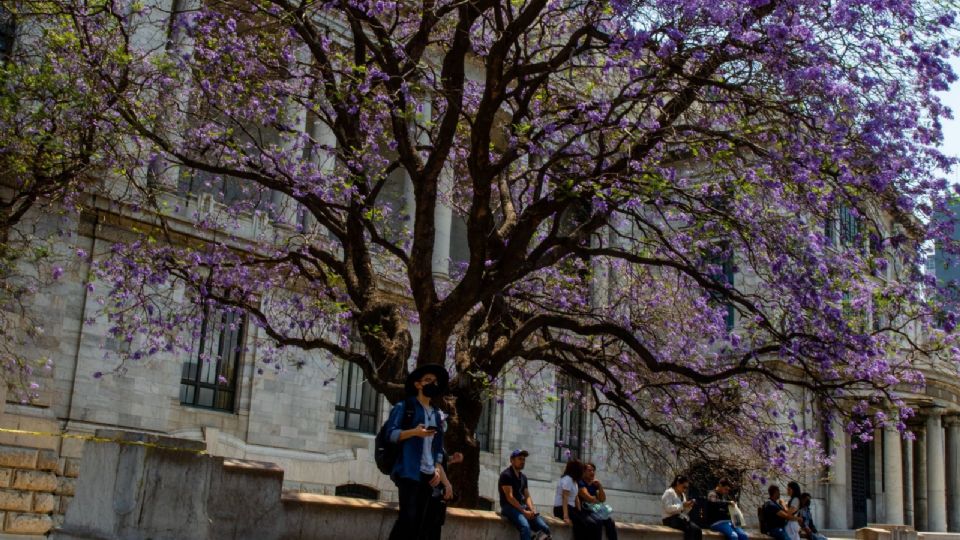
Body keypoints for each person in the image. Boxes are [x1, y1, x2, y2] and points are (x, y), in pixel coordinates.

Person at [386, 364, 453, 540]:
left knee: (420, 525)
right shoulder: (405, 407)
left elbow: (437, 450)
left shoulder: (438, 415)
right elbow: (391, 434)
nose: (432, 384)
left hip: (429, 475)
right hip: (408, 471)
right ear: (418, 384)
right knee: (407, 520)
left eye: (435, 381)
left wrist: (441, 475)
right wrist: (414, 432)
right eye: (428, 380)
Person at [500, 449, 552, 540]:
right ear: (511, 460)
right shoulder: (506, 475)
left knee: (545, 528)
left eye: (524, 459)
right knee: (525, 527)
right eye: (520, 459)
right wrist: (524, 512)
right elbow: (510, 497)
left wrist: (532, 509)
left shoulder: (523, 477)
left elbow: (527, 496)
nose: (522, 461)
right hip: (508, 507)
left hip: (522, 507)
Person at [554, 459, 602, 540]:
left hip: (571, 508)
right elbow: (564, 498)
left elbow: (576, 499)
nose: (582, 472)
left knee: (592, 523)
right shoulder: (567, 479)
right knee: (582, 524)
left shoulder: (575, 481)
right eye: (581, 469)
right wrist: (566, 516)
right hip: (561, 508)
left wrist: (580, 512)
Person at [579, 462, 618, 540]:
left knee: (610, 522)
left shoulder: (594, 485)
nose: (592, 472)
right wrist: (595, 500)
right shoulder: (581, 482)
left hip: (595, 510)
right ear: (583, 472)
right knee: (598, 522)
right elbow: (588, 498)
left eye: (593, 470)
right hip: (585, 510)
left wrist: (600, 486)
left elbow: (602, 499)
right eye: (589, 470)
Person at [661, 475, 703, 540]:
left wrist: (689, 506)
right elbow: (668, 508)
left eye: (686, 488)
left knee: (697, 529)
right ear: (678, 483)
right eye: (684, 487)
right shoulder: (669, 492)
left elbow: (683, 511)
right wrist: (683, 505)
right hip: (669, 519)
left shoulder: (682, 495)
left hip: (680, 518)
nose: (685, 490)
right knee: (689, 529)